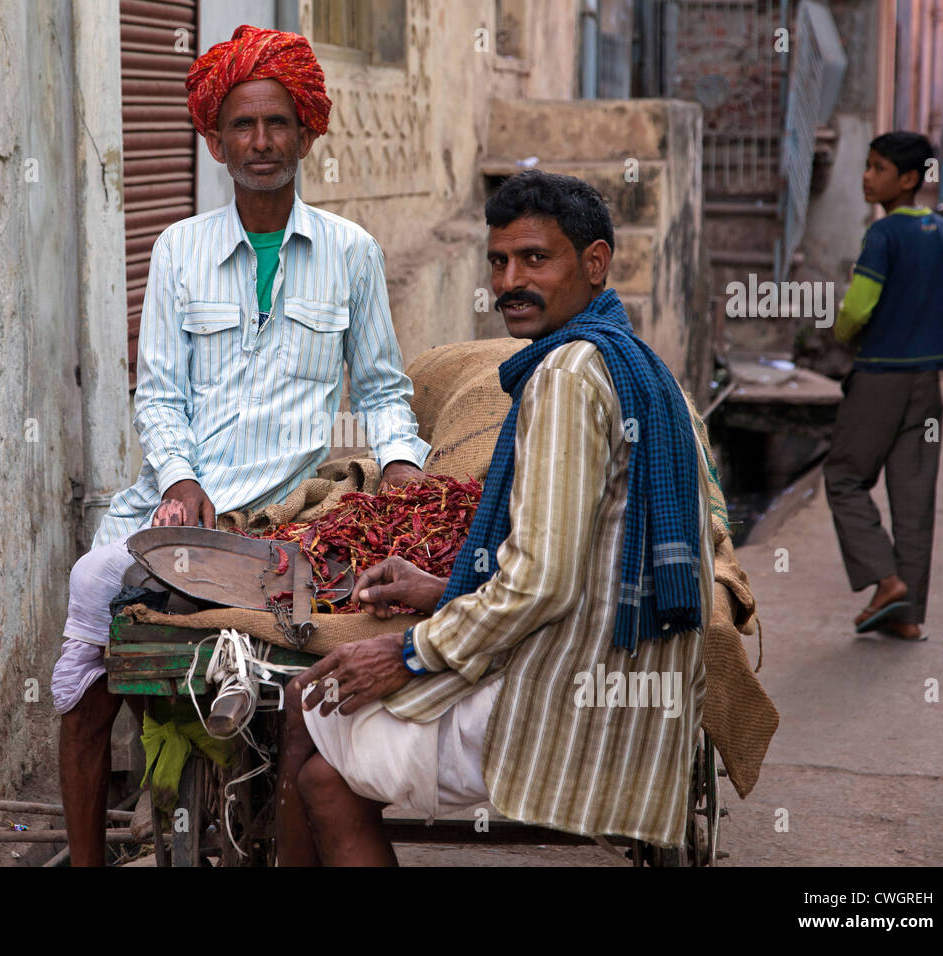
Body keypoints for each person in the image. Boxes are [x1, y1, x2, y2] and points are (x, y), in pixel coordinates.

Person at [51, 25, 429, 866]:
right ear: (215, 142)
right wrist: (181, 481)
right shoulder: (179, 250)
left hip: (289, 517)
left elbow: (380, 389)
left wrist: (403, 458)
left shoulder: (352, 254)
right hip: (180, 510)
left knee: (308, 671)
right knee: (89, 648)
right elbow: (158, 394)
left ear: (305, 133)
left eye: (277, 124)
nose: (262, 143)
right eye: (244, 127)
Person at [275, 171, 716, 865]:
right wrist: (440, 589)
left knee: (313, 730)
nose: (511, 280)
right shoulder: (628, 360)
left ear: (594, 262)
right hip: (619, 676)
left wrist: (406, 653)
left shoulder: (566, 379)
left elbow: (541, 583)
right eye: (499, 261)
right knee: (317, 719)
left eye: (536, 259)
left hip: (563, 701)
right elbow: (576, 552)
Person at [824, 131, 943, 641]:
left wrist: (842, 334)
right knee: (914, 495)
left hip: (881, 377)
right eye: (867, 165)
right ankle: (907, 616)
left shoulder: (883, 236)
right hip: (927, 383)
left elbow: (858, 309)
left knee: (844, 477)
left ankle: (886, 580)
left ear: (908, 179)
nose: (867, 176)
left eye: (878, 167)